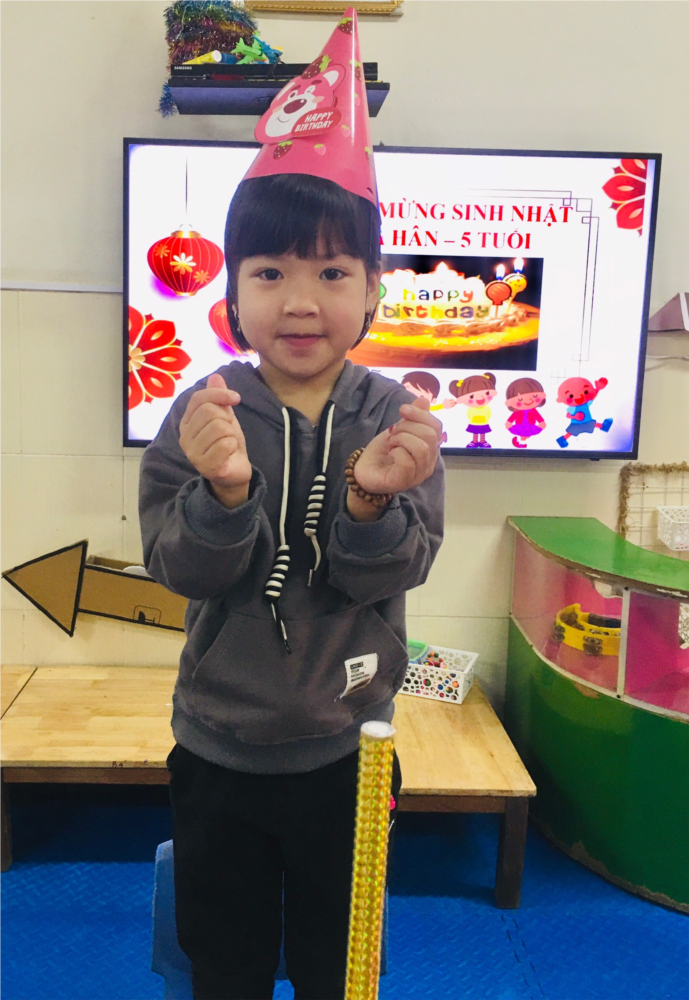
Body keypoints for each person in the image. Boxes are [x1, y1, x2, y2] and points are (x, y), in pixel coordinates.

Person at [138, 11, 445, 1000]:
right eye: (269, 272)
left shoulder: (395, 419)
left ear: (373, 291)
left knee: (338, 967)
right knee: (223, 963)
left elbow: (403, 566)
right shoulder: (202, 410)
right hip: (216, 746)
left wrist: (368, 503)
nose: (300, 300)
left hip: (351, 752)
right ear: (231, 292)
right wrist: (225, 492)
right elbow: (177, 569)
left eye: (331, 272)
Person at [443, 372, 498, 448]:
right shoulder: (471, 408)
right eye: (471, 396)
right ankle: (474, 442)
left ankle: (482, 442)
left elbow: (489, 414)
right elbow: (469, 415)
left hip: (484, 422)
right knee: (475, 432)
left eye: (487, 393)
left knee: (482, 432)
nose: (481, 397)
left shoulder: (486, 407)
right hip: (474, 422)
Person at [504, 376, 546, 448]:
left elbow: (538, 417)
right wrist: (509, 423)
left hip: (530, 426)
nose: (528, 400)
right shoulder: (517, 411)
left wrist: (541, 422)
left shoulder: (533, 411)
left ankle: (521, 442)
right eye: (520, 399)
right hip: (520, 426)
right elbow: (512, 417)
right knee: (523, 434)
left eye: (535, 396)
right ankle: (521, 443)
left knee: (526, 434)